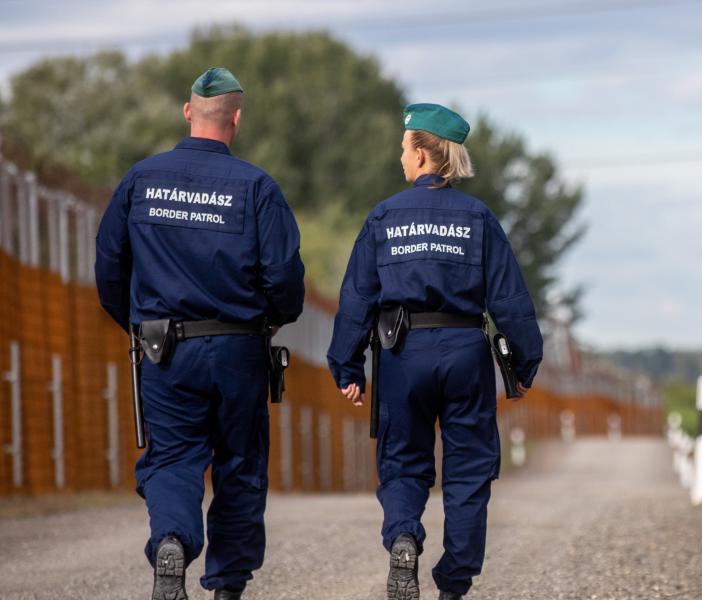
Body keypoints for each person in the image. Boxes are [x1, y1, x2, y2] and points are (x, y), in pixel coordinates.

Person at [94, 67, 306, 600]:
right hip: (239, 349)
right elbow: (283, 274)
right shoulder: (257, 186)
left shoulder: (141, 179)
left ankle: (171, 541)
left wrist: (141, 327)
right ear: (237, 118)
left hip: (165, 350)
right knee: (240, 462)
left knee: (172, 457)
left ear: (188, 112)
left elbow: (108, 267)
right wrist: (275, 316)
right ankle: (228, 583)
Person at [327, 103, 543, 600]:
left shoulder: (384, 216)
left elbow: (357, 298)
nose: (400, 158)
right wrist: (525, 364)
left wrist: (346, 365)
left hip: (402, 353)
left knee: (403, 460)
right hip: (466, 351)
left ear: (424, 154)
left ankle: (404, 535)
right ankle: (454, 582)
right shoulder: (478, 218)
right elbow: (510, 299)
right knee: (469, 469)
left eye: (405, 149)